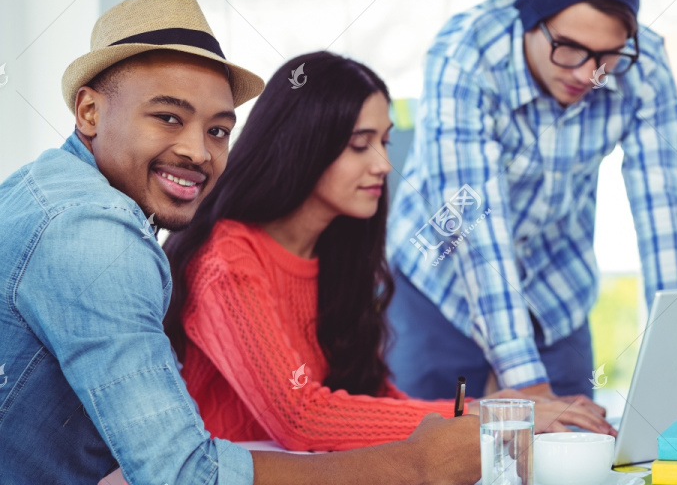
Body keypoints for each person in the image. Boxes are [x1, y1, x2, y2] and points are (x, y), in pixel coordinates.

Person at [0, 0, 479, 485]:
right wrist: (417, 460)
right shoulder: (95, 236)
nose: (199, 152)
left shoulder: (48, 191)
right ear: (88, 110)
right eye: (167, 117)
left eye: (218, 131)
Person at [162, 51, 613, 453]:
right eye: (361, 145)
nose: (382, 163)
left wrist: (496, 410)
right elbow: (302, 419)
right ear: (303, 146)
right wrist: (489, 415)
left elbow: (374, 401)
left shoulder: (337, 254)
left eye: (384, 141)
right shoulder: (225, 261)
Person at [386, 0, 677, 405]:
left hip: (555, 287)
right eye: (568, 48)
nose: (586, 74)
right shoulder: (465, 55)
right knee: (430, 464)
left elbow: (664, 215)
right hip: (439, 286)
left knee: (569, 454)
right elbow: (473, 225)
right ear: (528, 18)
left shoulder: (642, 64)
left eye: (606, 56)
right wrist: (527, 386)